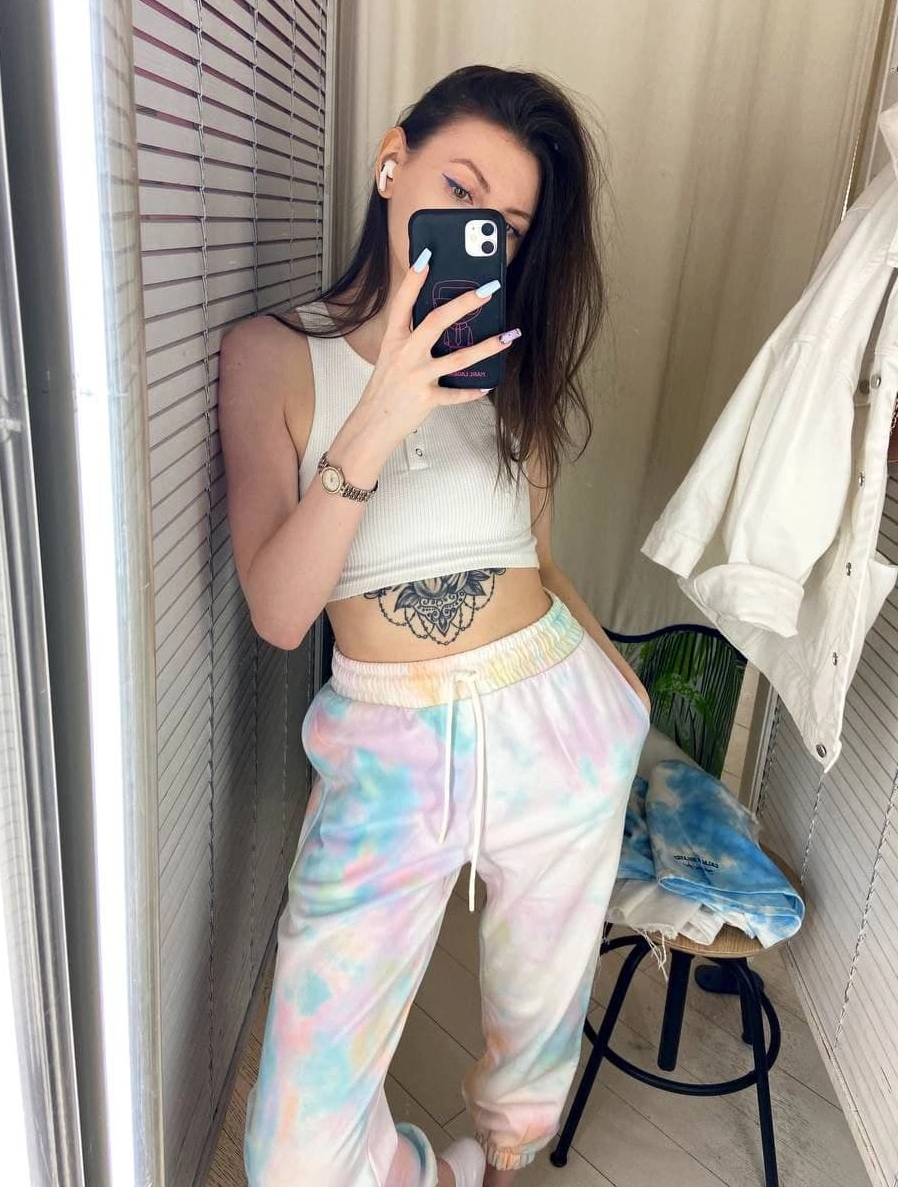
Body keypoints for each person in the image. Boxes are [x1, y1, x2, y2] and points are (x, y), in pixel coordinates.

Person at [219, 64, 652, 1187]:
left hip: (555, 721)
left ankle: (500, 1163)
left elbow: (540, 563)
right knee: (294, 1154)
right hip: (387, 750)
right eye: (460, 190)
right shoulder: (272, 355)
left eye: (508, 225)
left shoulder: (512, 369)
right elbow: (279, 612)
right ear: (391, 161)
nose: (479, 232)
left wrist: (621, 695)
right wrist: (385, 407)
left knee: (536, 1029)